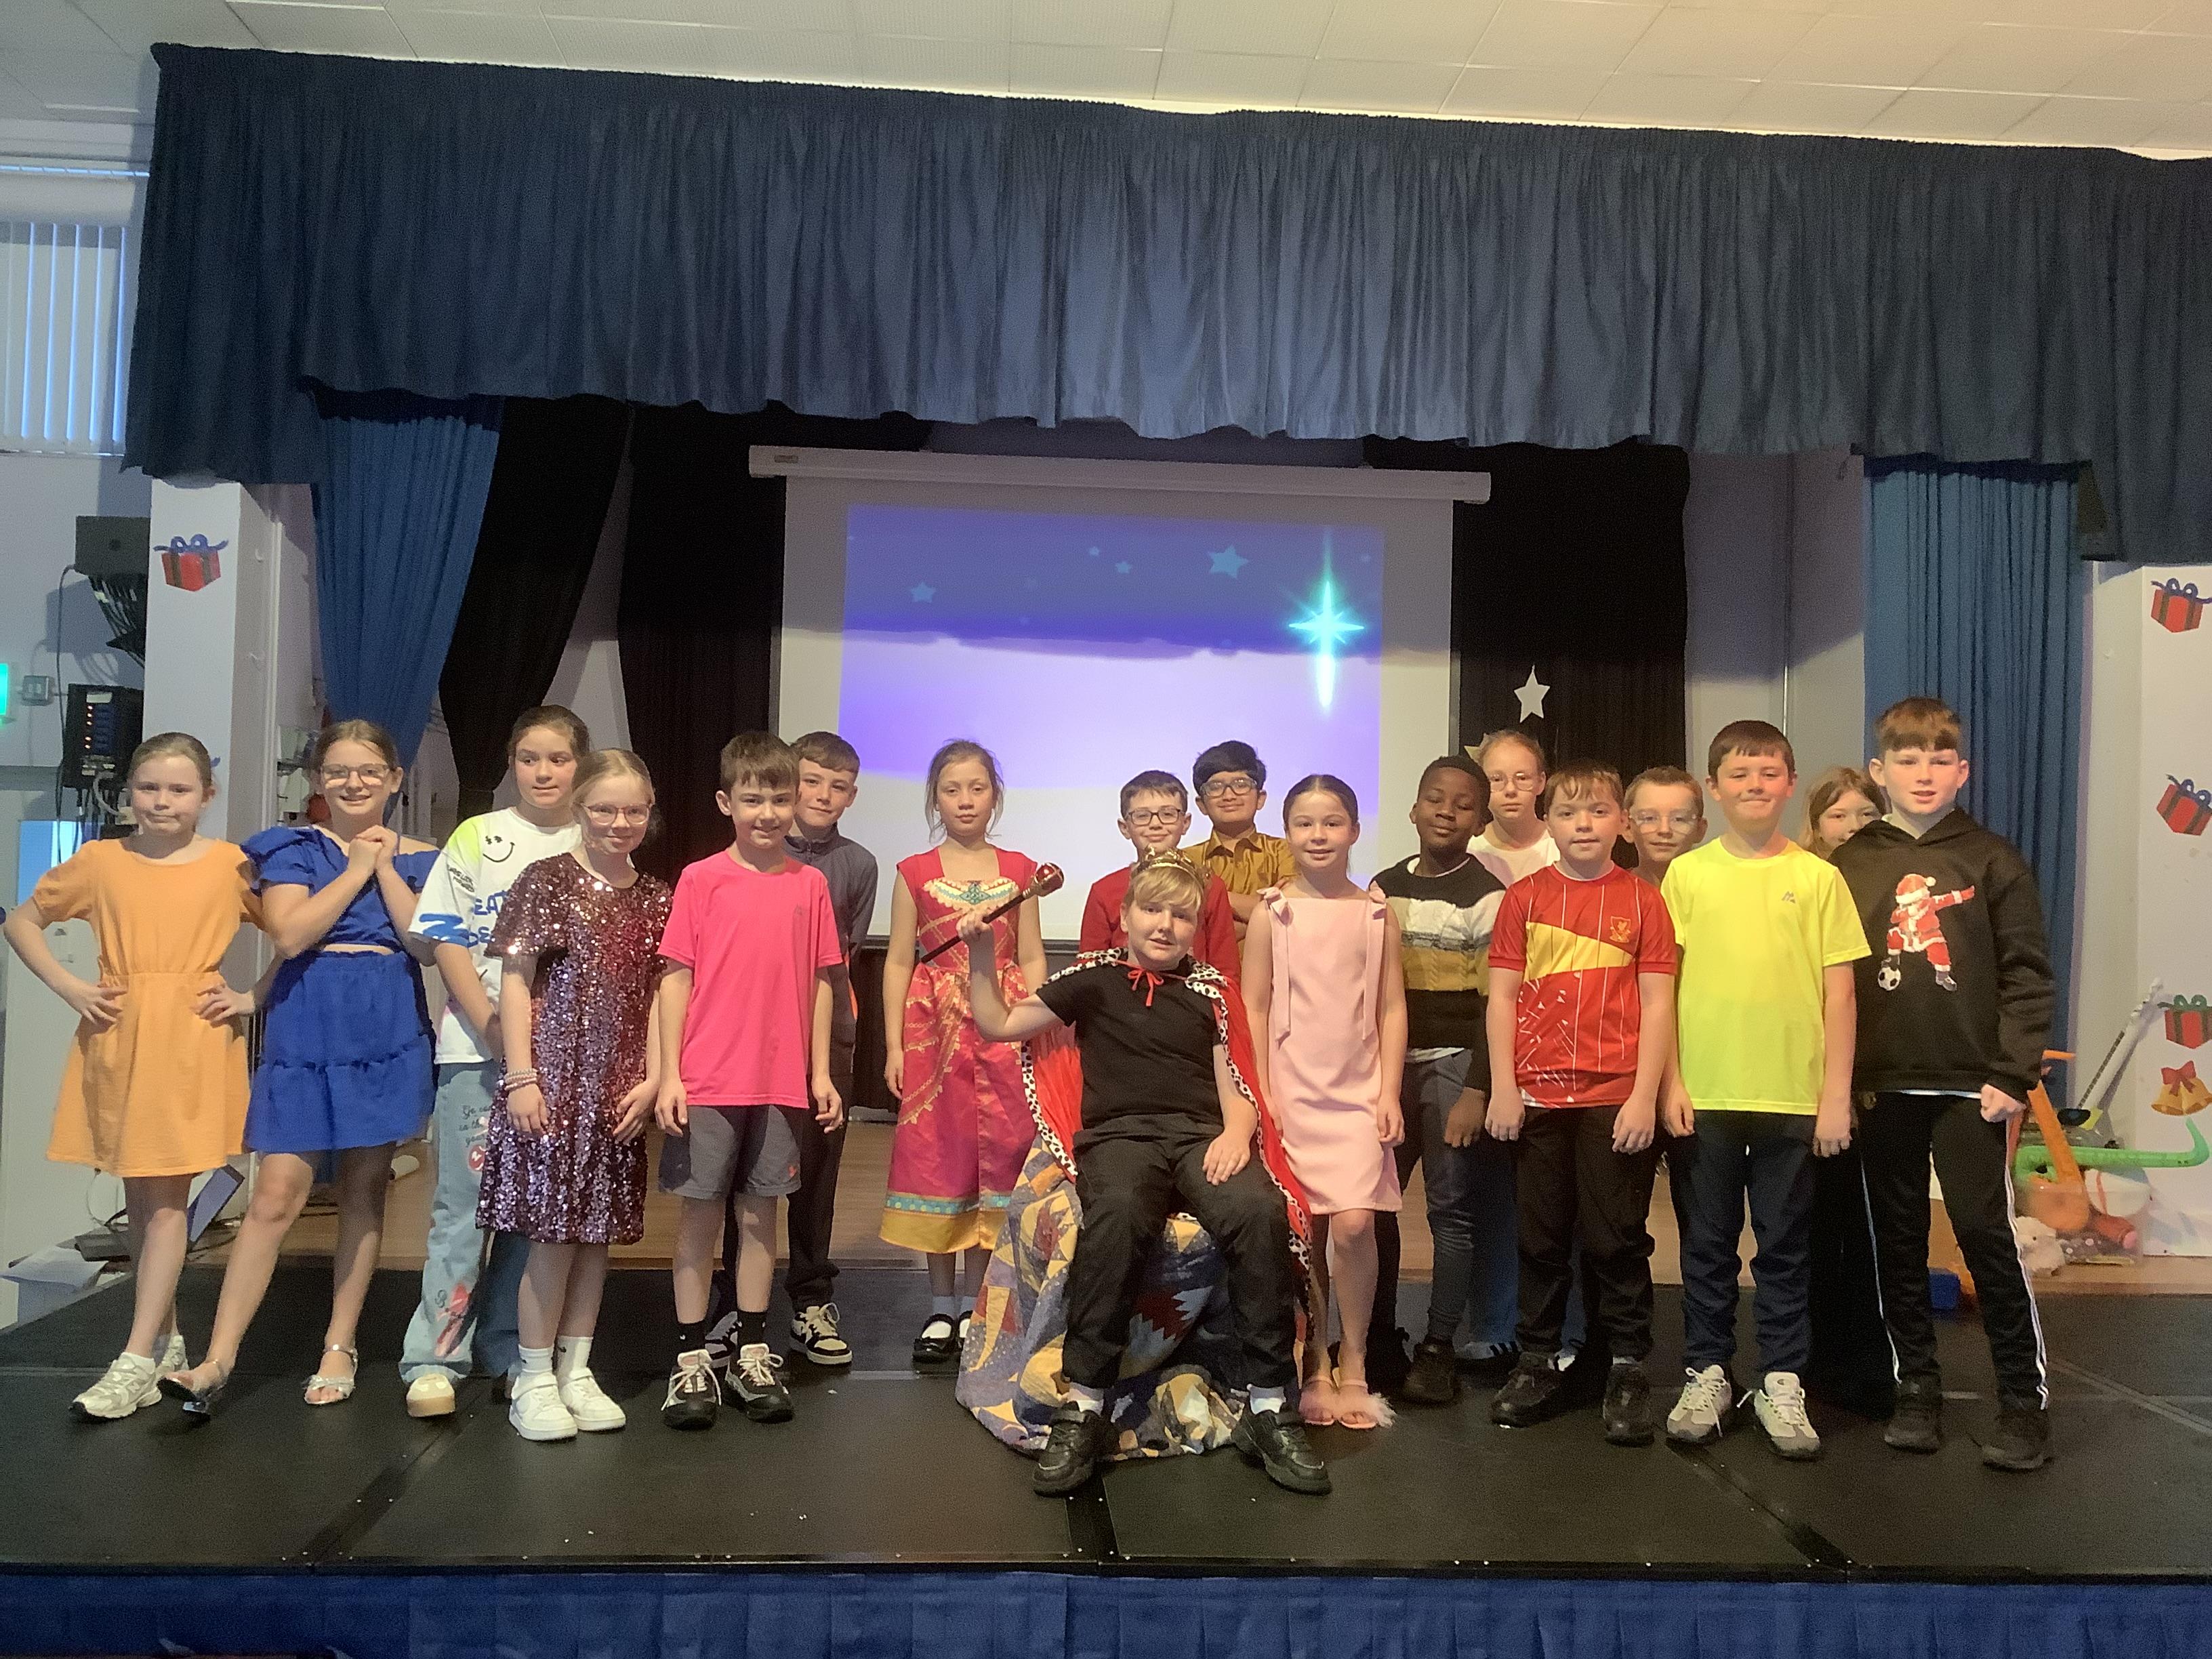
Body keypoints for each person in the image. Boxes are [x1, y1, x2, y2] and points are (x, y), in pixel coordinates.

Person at [961, 857, 1328, 1496]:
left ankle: (1270, 1405)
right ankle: (1085, 1404)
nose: (1165, 925)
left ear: (1196, 927)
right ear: (1126, 916)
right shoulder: (1092, 980)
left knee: (1257, 1211)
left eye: (1181, 915)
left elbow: (1238, 1083)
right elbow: (1000, 1023)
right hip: (1121, 1138)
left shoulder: (1211, 991)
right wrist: (981, 954)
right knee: (1120, 1214)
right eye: (1152, 910)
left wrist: (1236, 1134)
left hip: (1199, 1137)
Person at [163, 720, 439, 1416]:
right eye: (339, 771)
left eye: (369, 770)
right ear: (318, 780)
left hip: (385, 1024)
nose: (354, 783)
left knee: (364, 1189)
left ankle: (340, 1344)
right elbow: (290, 933)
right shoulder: (291, 848)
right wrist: (355, 870)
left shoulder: (423, 858)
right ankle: (218, 1358)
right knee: (275, 1193)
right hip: (307, 1023)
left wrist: (383, 868)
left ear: (394, 779)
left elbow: (423, 945)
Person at [2, 734, 260, 1421]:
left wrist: (251, 996)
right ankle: (164, 1344)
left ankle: (136, 1355)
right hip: (120, 1037)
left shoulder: (233, 865)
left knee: (167, 1201)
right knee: (142, 1202)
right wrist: (70, 987)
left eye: (178, 789)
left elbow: (295, 934)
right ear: (129, 792)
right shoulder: (101, 861)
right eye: (149, 787)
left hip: (191, 1039)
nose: (162, 801)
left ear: (206, 795)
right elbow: (22, 922)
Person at [1834, 697, 2055, 1471]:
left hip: (1971, 1086)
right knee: (1895, 1241)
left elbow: (2027, 973)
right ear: (1879, 771)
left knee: (1986, 1237)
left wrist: (2013, 1072)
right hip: (1881, 1082)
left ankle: (2023, 1405)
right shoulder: (1850, 862)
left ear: (1963, 771)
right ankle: (1917, 1390)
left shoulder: (1993, 859)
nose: (1923, 774)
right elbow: (1828, 979)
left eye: (1939, 761)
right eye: (1907, 760)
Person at [1660, 720, 1869, 1460]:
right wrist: (1671, 1081)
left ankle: (1783, 1378)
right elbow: (1663, 990)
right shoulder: (1687, 876)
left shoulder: (1819, 879)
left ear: (1790, 784)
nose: (1755, 785)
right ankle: (1708, 1372)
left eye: (1769, 772)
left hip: (1793, 1099)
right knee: (1707, 1246)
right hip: (1706, 1096)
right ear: (1713, 789)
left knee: (1785, 1248)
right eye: (1740, 773)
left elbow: (1840, 995)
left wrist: (1835, 1096)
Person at [399, 705, 589, 1418]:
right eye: (529, 758)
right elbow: (444, 936)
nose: (543, 772)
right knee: (462, 1208)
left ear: (581, 764)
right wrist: (488, 1024)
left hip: (563, 1063)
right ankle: (434, 1356)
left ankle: (510, 1347)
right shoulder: (477, 836)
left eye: (559, 759)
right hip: (474, 1052)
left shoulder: (593, 839)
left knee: (532, 1213)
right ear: (511, 763)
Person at [1483, 762, 1678, 1446]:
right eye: (1568, 813)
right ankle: (1536, 1361)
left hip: (1615, 1097)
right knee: (1539, 1238)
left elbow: (1659, 1004)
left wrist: (1644, 1097)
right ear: (1550, 823)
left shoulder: (1645, 902)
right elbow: (1502, 998)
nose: (1584, 825)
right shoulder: (1524, 898)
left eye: (1597, 812)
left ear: (1621, 822)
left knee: (1615, 1238)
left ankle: (1626, 1367)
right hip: (1536, 1096)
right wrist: (1504, 1087)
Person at [654, 732, 844, 1429]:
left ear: (796, 803)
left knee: (762, 1216)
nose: (767, 813)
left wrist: (819, 1072)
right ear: (725, 802)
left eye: (780, 799)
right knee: (700, 1216)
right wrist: (670, 1074)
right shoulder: (700, 879)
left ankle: (754, 1353)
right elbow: (676, 979)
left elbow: (821, 982)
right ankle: (690, 1358)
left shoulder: (810, 885)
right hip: (707, 1078)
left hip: (780, 1081)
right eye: (754, 799)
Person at [478, 750, 669, 1440]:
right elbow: (517, 980)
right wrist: (522, 1076)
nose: (620, 822)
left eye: (634, 810)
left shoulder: (657, 897)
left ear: (650, 812)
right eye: (605, 809)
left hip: (618, 1090)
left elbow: (661, 994)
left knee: (597, 1239)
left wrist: (654, 1076)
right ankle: (532, 1373)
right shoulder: (547, 880)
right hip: (554, 1085)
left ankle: (576, 1368)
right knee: (553, 1235)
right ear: (580, 809)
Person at [710, 729, 878, 1372]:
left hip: (824, 1037)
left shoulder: (858, 865)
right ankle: (735, 1304)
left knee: (817, 1173)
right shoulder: (748, 857)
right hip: (753, 1038)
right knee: (746, 1174)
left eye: (839, 786)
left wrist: (826, 1044)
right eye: (812, 781)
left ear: (852, 795)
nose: (823, 795)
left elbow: (841, 960)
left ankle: (811, 1300)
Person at [1243, 774, 1406, 1431]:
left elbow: (1392, 1007)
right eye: (1305, 823)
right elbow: (1254, 1006)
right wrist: (1264, 1092)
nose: (1319, 835)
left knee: (1358, 1224)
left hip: (1359, 1091)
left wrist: (1389, 1090)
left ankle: (1355, 1355)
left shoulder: (1376, 913)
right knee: (1305, 1229)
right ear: (1287, 832)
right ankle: (1313, 1357)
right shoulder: (1273, 912)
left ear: (1355, 831)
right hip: (1293, 1091)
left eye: (1333, 822)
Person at [880, 739, 1047, 1366]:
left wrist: (1033, 1024)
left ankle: (980, 1304)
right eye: (952, 790)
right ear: (935, 798)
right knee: (939, 1156)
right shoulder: (913, 871)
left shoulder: (1024, 870)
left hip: (1004, 1025)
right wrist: (894, 1044)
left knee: (1000, 1156)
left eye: (977, 788)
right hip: (935, 1033)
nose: (966, 800)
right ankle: (940, 1305)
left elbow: (1031, 955)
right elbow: (899, 960)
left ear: (995, 796)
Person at [1368, 755, 1513, 1404]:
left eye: (1462, 804)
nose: (1446, 812)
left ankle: (1438, 1346)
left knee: (1451, 1211)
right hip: (1388, 1068)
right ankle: (1377, 1335)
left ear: (1480, 821)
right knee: (1375, 1204)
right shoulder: (1383, 887)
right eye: (1435, 798)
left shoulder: (1487, 894)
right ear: (1413, 809)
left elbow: (1495, 1004)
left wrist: (1478, 1089)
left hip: (1455, 1065)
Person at [1078, 769, 1239, 979]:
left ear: (1185, 823)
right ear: (1125, 827)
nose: (1156, 824)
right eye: (1142, 816)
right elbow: (1088, 969)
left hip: (1191, 993)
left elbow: (1227, 971)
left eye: (1168, 814)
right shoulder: (1104, 891)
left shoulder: (1209, 886)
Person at [1184, 741, 1295, 943]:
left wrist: (1208, 895)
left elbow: (1291, 916)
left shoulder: (1287, 852)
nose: (1229, 795)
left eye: (1241, 784)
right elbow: (1186, 929)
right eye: (1216, 787)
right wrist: (1262, 910)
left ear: (1260, 798)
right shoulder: (1185, 860)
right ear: (1201, 804)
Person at [1473, 729, 1561, 886]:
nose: (1510, 790)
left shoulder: (1561, 847)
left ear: (1541, 782)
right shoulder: (1469, 850)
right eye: (1496, 779)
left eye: (1522, 778)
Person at [1625, 767, 1706, 888]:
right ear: (1627, 827)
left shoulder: (1717, 891)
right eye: (1649, 818)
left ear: (1700, 829)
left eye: (1679, 819)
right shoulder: (1609, 893)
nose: (1665, 830)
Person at [1802, 766, 1887, 861]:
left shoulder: (1897, 866)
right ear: (1816, 827)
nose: (1855, 826)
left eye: (1866, 814)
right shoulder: (1802, 869)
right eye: (1838, 816)